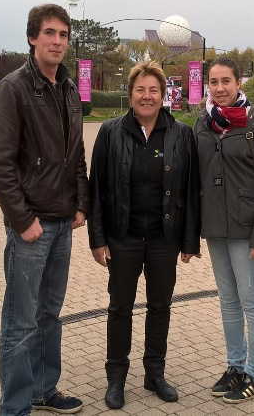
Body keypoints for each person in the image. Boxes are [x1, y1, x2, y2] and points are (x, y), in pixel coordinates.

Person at [0, 4, 89, 415]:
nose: (57, 41)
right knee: (21, 322)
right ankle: (15, 407)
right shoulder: (15, 87)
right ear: (32, 37)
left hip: (63, 223)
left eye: (63, 34)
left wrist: (81, 204)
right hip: (33, 227)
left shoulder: (67, 89)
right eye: (49, 33)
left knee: (50, 315)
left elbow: (76, 154)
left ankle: (44, 390)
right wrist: (23, 220)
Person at [88, 61, 201, 409]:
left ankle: (154, 373)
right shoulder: (110, 131)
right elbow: (96, 190)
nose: (147, 96)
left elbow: (191, 186)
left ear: (163, 95)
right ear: (131, 93)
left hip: (164, 239)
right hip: (122, 237)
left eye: (154, 90)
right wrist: (98, 238)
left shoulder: (181, 133)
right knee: (120, 308)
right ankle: (116, 378)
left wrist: (188, 240)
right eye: (140, 89)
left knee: (160, 306)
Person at [193, 56, 254, 404]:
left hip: (249, 231)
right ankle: (235, 367)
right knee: (229, 302)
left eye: (226, 82)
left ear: (239, 83)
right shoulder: (203, 123)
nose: (219, 89)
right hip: (216, 228)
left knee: (253, 301)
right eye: (213, 82)